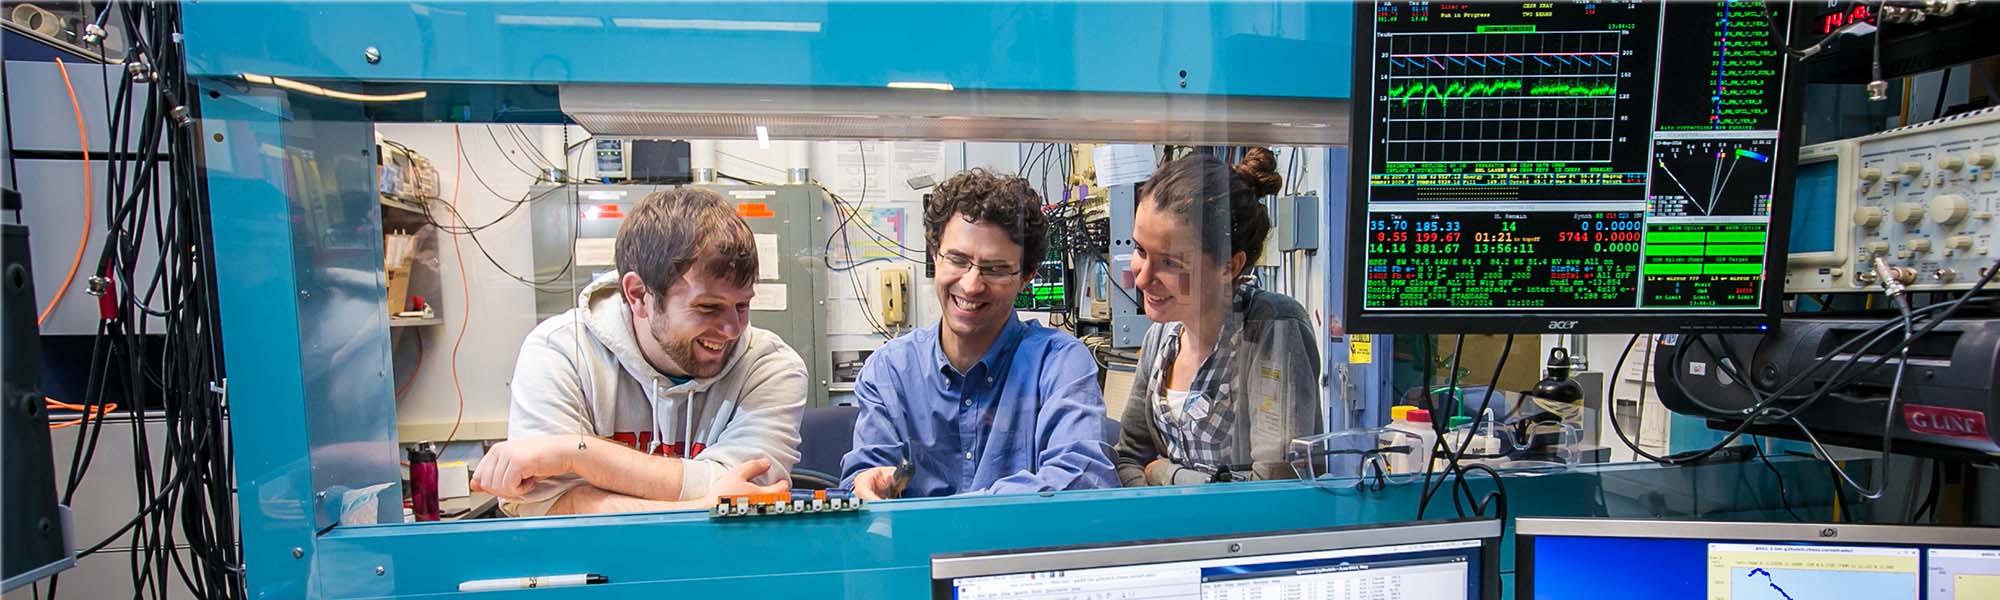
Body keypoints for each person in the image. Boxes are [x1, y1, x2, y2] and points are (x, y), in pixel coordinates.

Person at [472, 187, 808, 515]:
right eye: (708, 307)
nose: (733, 329)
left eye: (742, 305)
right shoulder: (560, 352)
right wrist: (698, 507)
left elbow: (747, 489)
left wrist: (578, 453)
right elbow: (544, 505)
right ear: (638, 295)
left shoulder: (771, 366)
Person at [841, 170, 1117, 499]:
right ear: (934, 256)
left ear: (1026, 276)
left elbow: (1083, 478)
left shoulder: (1059, 365)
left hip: (1012, 539)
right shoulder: (890, 370)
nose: (972, 285)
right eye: (957, 260)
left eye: (995, 268)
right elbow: (861, 481)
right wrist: (866, 484)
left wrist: (950, 512)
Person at [1114, 148, 1325, 486]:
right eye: (1141, 250)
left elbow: (1274, 489)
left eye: (1170, 263)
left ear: (1230, 266)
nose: (1142, 278)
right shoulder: (1161, 339)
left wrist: (1165, 474)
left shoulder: (1274, 330)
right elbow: (1127, 459)